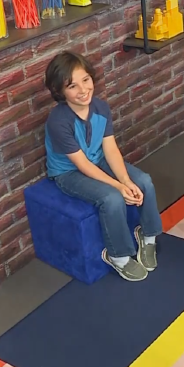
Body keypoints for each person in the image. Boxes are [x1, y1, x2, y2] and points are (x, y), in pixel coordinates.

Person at [43, 51, 163, 282]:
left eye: (86, 80)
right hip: (69, 172)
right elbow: (81, 164)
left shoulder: (101, 108)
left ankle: (147, 236)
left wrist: (126, 180)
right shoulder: (58, 121)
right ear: (59, 91)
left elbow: (110, 148)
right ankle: (117, 256)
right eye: (72, 86)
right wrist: (118, 187)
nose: (83, 90)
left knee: (144, 181)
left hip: (97, 159)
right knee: (111, 198)